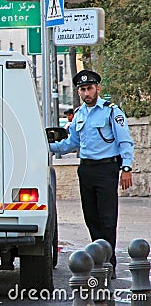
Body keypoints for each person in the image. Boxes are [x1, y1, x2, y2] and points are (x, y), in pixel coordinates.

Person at [49, 69, 134, 279]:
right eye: (82, 90)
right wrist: (48, 146)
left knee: (107, 218)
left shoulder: (111, 112)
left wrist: (126, 167)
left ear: (97, 89)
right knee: (91, 218)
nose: (86, 93)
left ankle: (108, 263)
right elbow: (72, 143)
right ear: (79, 92)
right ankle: (98, 259)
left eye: (89, 88)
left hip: (107, 169)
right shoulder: (79, 114)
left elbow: (125, 141)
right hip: (86, 169)